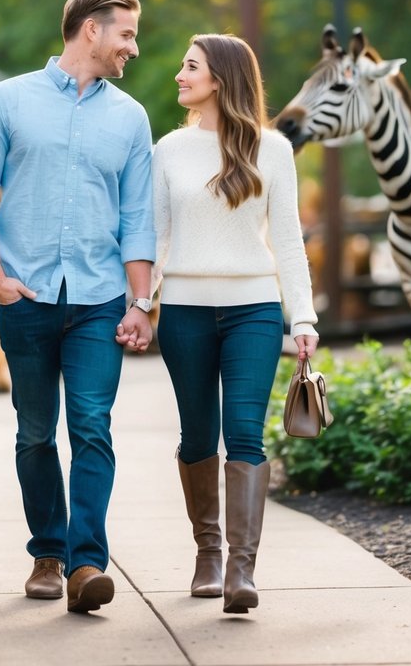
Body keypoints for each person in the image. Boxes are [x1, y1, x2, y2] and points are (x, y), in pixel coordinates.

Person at [0, 0, 156, 614]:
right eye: (125, 34)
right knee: (36, 432)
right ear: (90, 31)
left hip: (99, 298)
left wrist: (140, 301)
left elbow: (138, 217)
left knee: (92, 428)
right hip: (28, 296)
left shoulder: (130, 117)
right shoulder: (7, 101)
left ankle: (86, 562)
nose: (133, 47)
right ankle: (47, 550)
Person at [151, 33, 319, 614]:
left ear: (220, 78)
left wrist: (303, 315)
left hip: (254, 309)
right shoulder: (168, 149)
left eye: (189, 66)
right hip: (184, 312)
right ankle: (208, 555)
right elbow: (157, 236)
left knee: (245, 433)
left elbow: (290, 240)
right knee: (198, 435)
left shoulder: (272, 150)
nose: (179, 74)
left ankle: (241, 570)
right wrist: (141, 302)